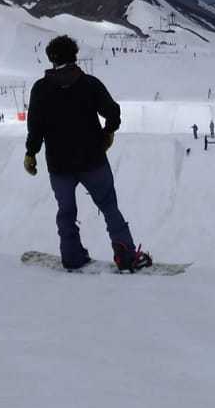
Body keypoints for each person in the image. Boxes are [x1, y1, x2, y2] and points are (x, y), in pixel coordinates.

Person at [24, 34, 152, 272]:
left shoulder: (40, 89)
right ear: (74, 56)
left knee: (66, 211)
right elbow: (113, 112)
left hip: (58, 164)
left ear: (51, 59)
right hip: (93, 159)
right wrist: (108, 132)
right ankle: (126, 256)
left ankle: (72, 256)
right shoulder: (89, 83)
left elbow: (35, 126)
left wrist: (31, 153)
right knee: (109, 207)